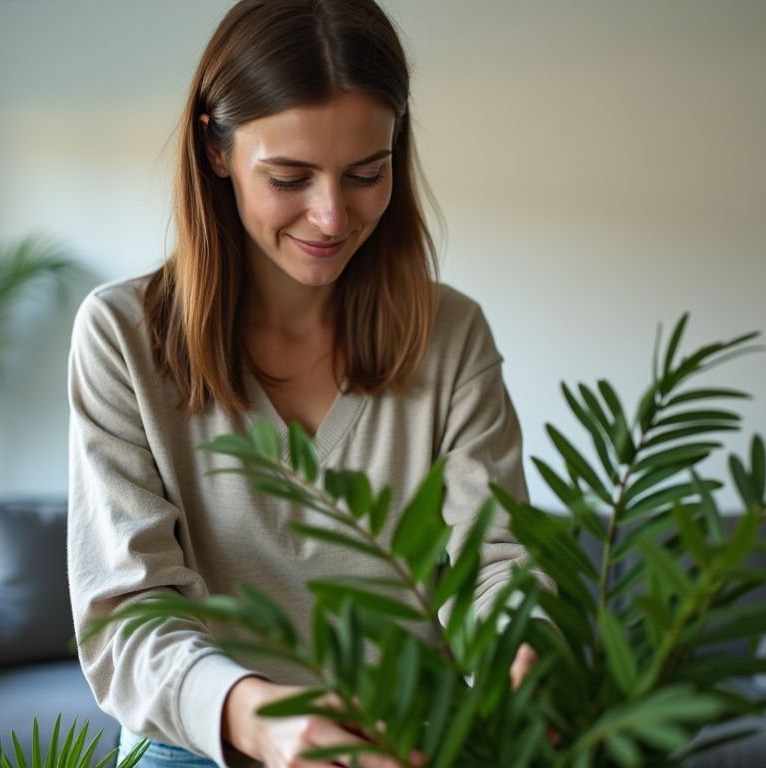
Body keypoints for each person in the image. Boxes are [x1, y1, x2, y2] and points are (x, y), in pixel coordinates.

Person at [66, 1, 532, 766]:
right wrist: (265, 723)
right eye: (289, 176)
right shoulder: (121, 336)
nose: (330, 217)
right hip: (203, 735)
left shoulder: (451, 337)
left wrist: (520, 662)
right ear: (216, 149)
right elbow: (127, 614)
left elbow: (497, 563)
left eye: (365, 174)